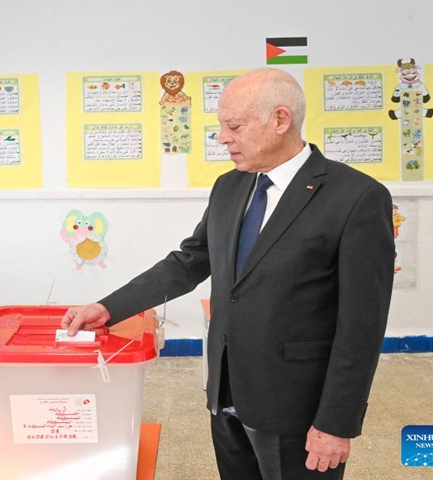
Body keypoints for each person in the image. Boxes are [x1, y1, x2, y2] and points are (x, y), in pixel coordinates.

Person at [62, 68, 394, 479]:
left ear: (280, 120)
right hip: (226, 395)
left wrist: (336, 423)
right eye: (222, 125)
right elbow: (190, 261)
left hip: (298, 409)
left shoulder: (357, 198)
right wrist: (108, 307)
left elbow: (361, 326)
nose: (222, 137)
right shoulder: (230, 187)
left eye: (234, 125)